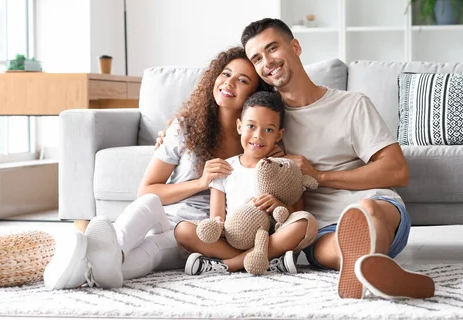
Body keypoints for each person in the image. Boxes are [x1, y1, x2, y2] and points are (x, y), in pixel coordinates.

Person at [43, 47, 272, 289]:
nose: (229, 83)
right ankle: (108, 253)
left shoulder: (257, 142)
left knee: (154, 248)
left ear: (254, 94)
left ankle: (85, 268)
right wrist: (200, 182)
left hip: (197, 234)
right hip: (163, 215)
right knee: (148, 203)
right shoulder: (186, 128)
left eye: (242, 80)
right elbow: (147, 190)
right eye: (225, 74)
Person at [240, 18, 435, 299]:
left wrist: (318, 176)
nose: (267, 62)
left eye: (272, 49)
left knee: (367, 210)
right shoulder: (266, 121)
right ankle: (377, 271)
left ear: (295, 47)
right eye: (257, 58)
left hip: (377, 205)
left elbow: (396, 170)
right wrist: (172, 131)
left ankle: (369, 262)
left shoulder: (352, 104)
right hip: (319, 227)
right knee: (342, 250)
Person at [175, 91, 317, 275]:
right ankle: (264, 260)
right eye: (251, 126)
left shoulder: (283, 169)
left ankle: (229, 265)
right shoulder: (225, 168)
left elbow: (295, 213)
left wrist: (280, 205)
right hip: (232, 238)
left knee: (305, 222)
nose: (258, 136)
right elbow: (216, 218)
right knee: (183, 230)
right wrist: (217, 224)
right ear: (239, 126)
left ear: (279, 135)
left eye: (268, 130)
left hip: (268, 239)